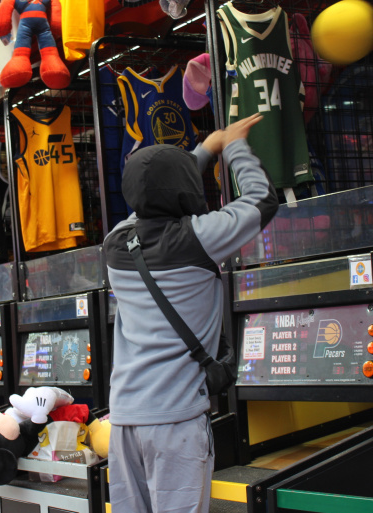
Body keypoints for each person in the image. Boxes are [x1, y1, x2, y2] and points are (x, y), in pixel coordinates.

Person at [102, 113, 277, 513]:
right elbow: (262, 200)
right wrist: (232, 145)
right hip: (176, 422)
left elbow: (151, 194)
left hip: (124, 420)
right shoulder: (199, 237)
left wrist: (204, 151)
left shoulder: (115, 243)